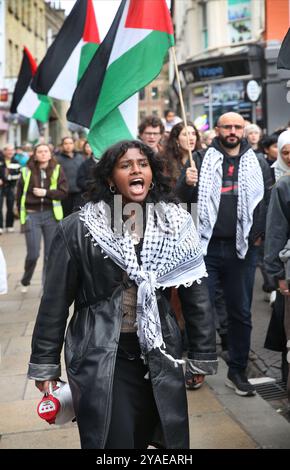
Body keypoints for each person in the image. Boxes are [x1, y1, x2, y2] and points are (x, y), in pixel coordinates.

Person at [28, 139, 217, 449]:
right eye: (126, 165)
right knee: (114, 442)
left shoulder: (177, 222)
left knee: (156, 437)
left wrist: (202, 352)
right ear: (109, 177)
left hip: (159, 353)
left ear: (153, 173)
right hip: (102, 354)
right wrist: (45, 365)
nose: (136, 170)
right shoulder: (79, 228)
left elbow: (195, 293)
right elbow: (54, 303)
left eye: (142, 164)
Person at [177, 112, 272, 397]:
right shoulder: (200, 160)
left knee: (240, 312)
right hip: (205, 249)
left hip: (241, 250)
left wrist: (256, 236)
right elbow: (181, 202)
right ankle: (197, 366)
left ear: (243, 130)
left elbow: (266, 203)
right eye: (227, 126)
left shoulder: (258, 162)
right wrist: (186, 183)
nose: (232, 131)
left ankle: (238, 370)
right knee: (199, 310)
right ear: (217, 130)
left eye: (237, 127)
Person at [16, 144, 68, 293]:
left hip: (51, 215)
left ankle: (46, 287)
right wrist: (22, 217)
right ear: (35, 154)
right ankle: (26, 279)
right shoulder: (26, 171)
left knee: (49, 255)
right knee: (33, 254)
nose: (43, 154)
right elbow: (19, 196)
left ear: (50, 154)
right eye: (40, 151)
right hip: (32, 215)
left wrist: (46, 193)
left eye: (46, 151)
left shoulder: (57, 169)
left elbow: (64, 192)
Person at [162, 120, 202, 186]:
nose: (191, 138)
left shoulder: (202, 159)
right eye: (185, 134)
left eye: (193, 134)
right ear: (176, 140)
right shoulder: (166, 162)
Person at [56, 136, 83, 217]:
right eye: (66, 143)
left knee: (78, 216)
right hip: (65, 193)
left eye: (70, 143)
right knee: (67, 216)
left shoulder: (80, 157)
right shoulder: (57, 159)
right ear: (62, 145)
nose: (68, 145)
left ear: (74, 145)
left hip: (79, 192)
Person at [0, 144, 21, 234]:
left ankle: (9, 225)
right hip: (0, 187)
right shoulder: (0, 160)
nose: (10, 152)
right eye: (8, 150)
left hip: (11, 187)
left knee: (10, 206)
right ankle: (0, 226)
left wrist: (9, 178)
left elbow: (18, 175)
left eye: (12, 150)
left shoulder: (16, 161)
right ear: (4, 151)